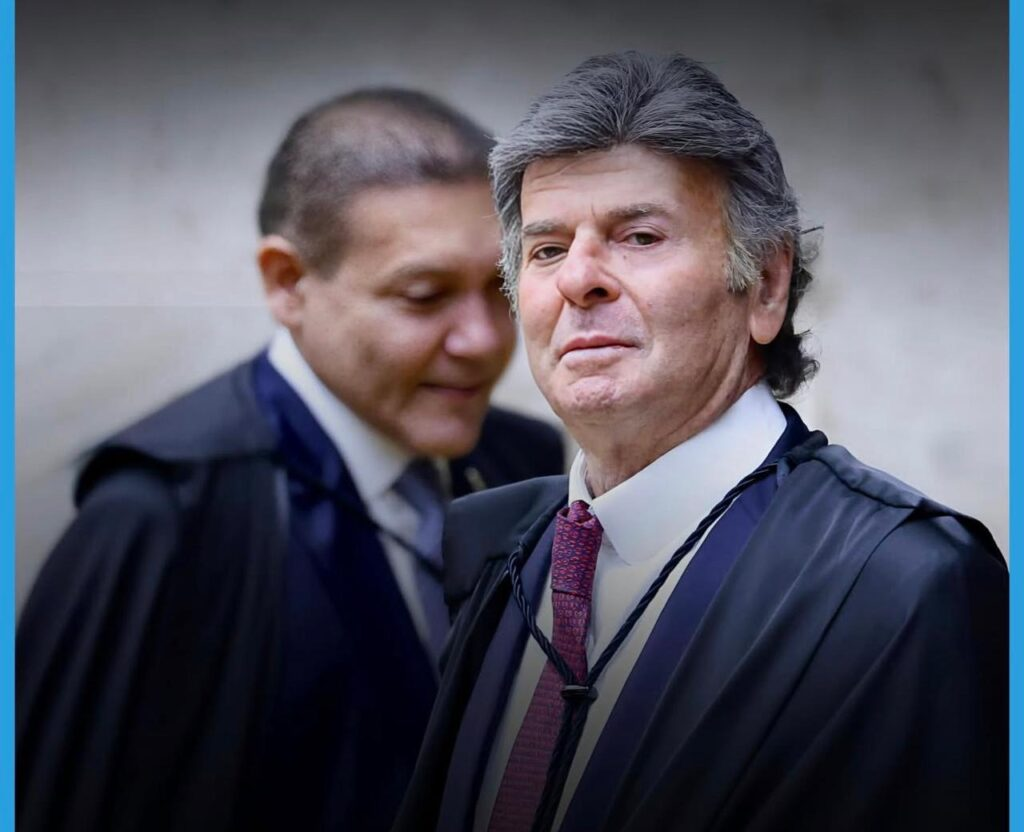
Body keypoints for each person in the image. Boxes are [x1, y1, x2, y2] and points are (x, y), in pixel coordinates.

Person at [395, 52, 1007, 832]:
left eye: (639, 236)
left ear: (767, 286)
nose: (579, 278)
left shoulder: (906, 585)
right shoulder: (493, 553)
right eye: (547, 249)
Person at [16, 88, 565, 832]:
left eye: (503, 287)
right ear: (287, 282)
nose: (484, 341)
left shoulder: (525, 459)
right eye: (424, 295)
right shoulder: (156, 516)